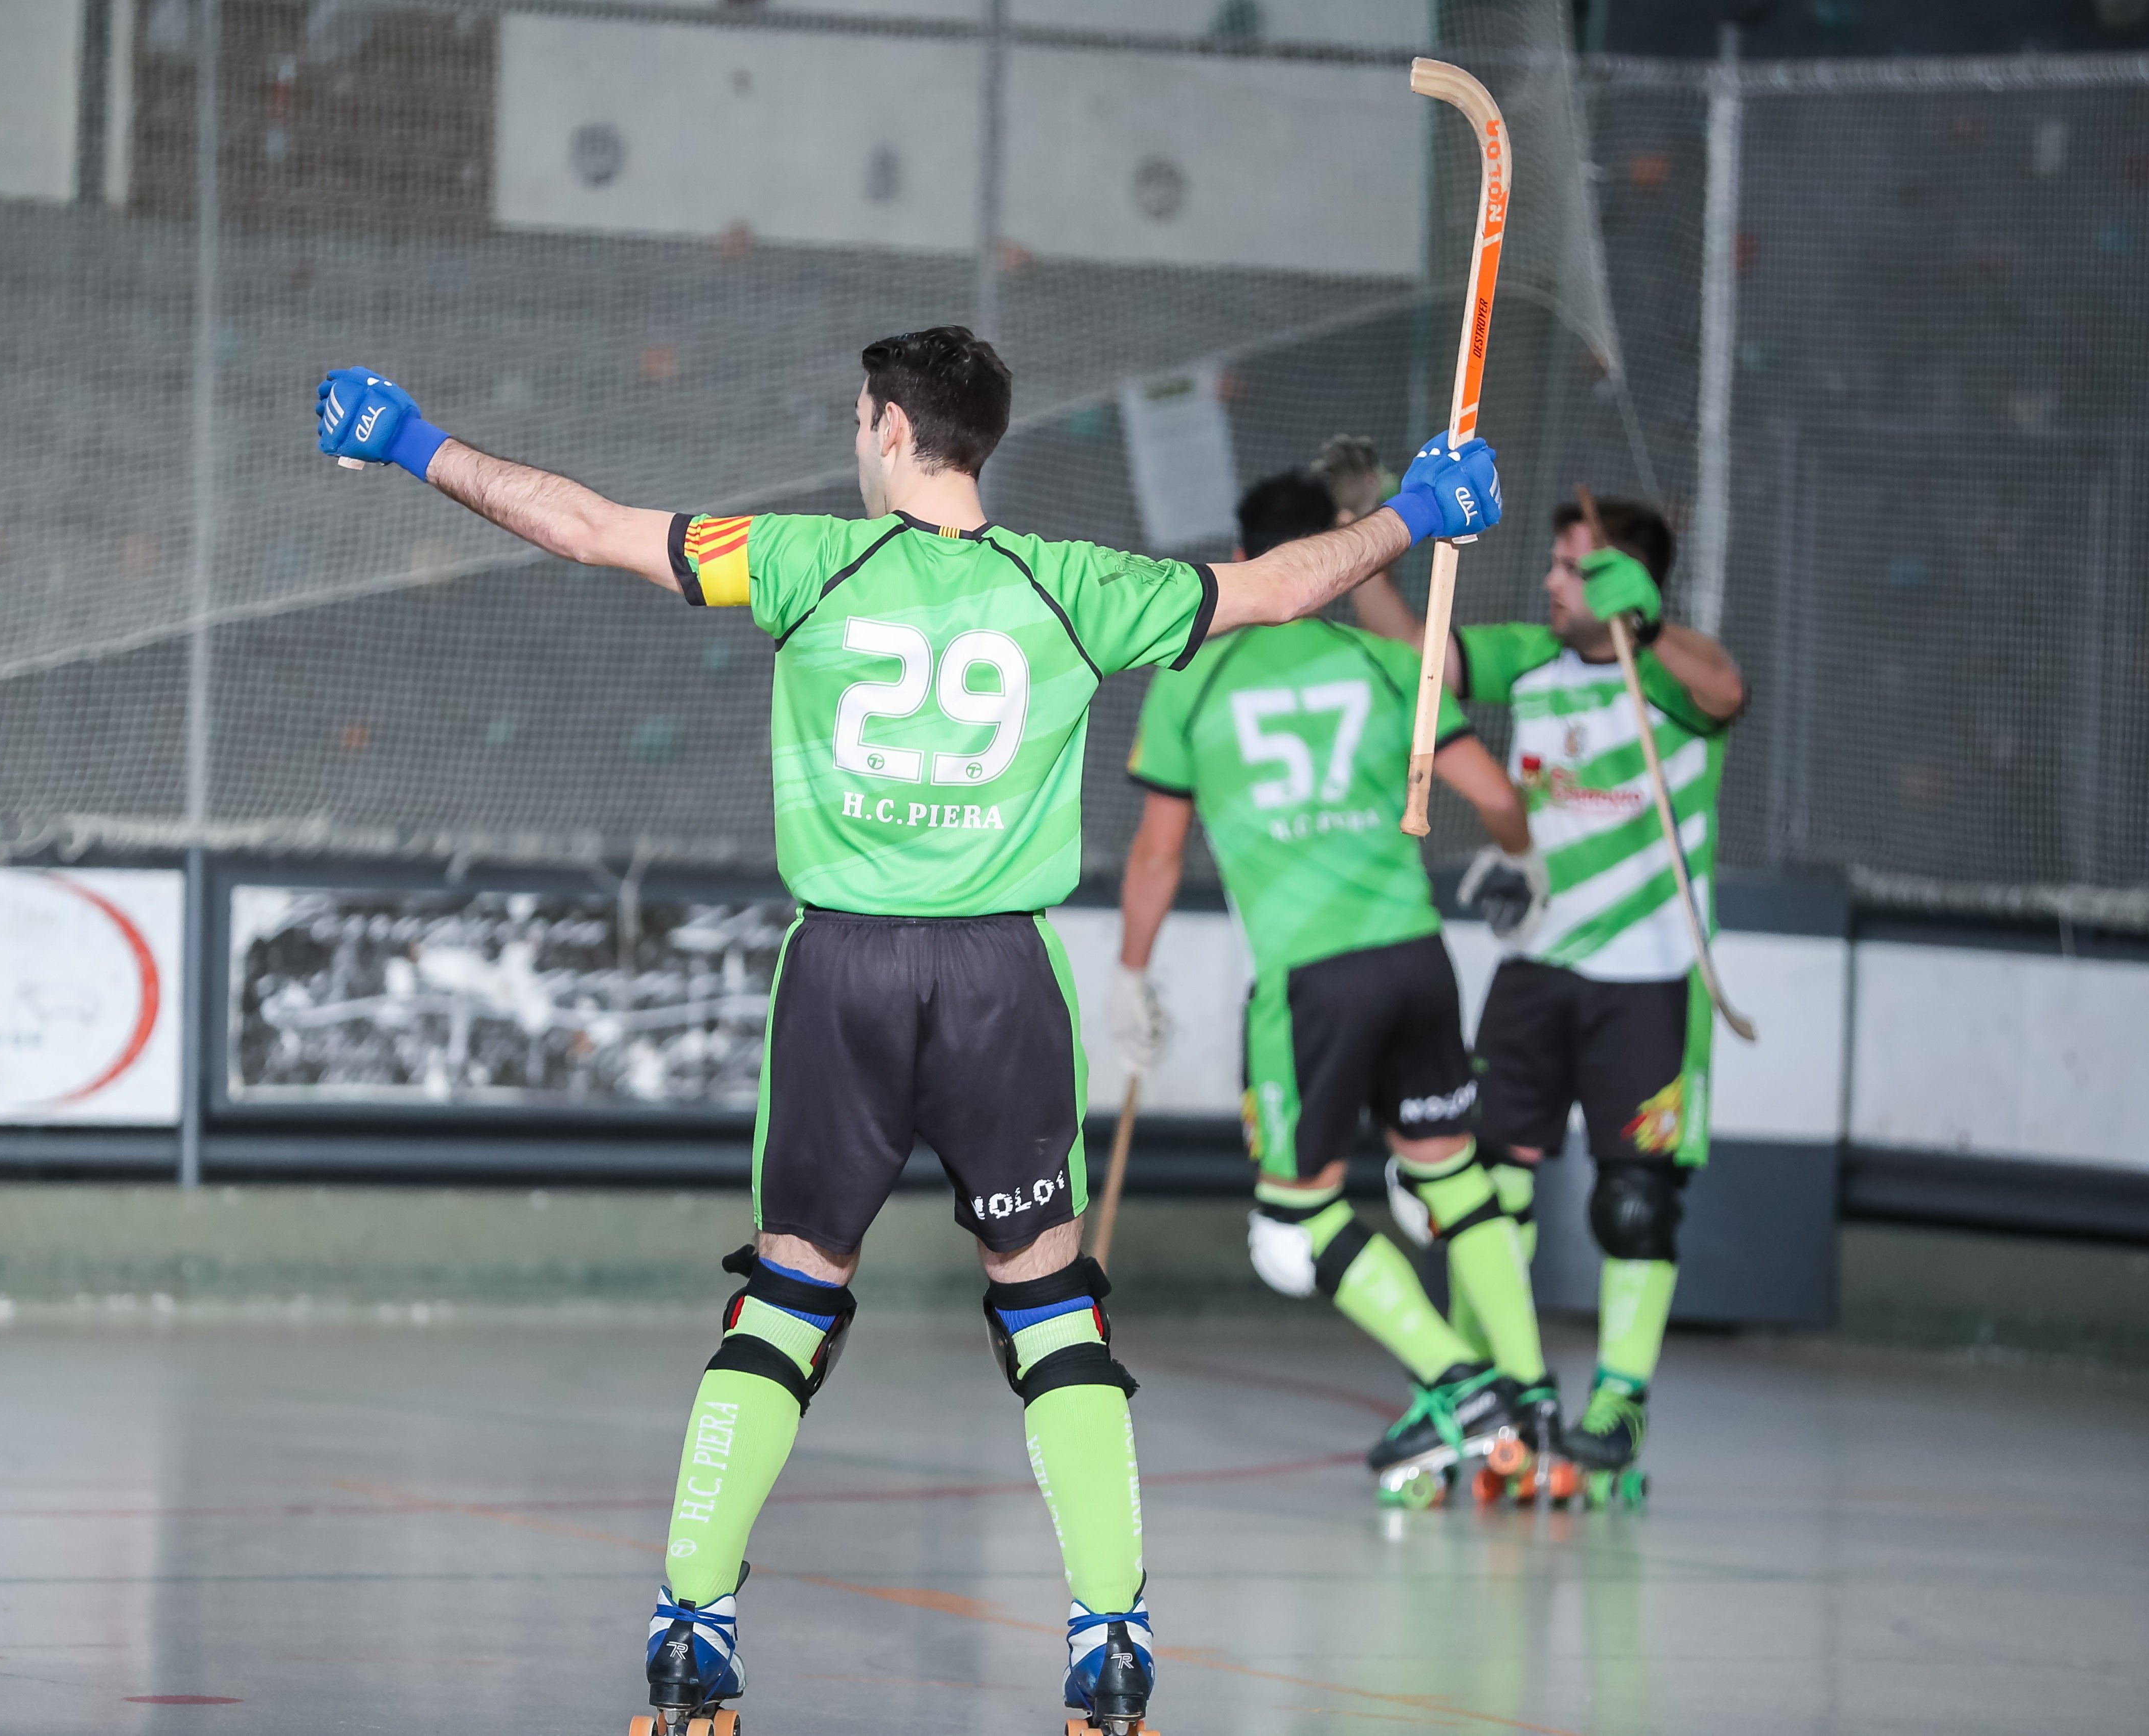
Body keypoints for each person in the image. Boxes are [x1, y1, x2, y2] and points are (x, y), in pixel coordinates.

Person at [310, 330, 1501, 1736]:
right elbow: (1275, 584)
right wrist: (1414, 516)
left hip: (843, 976)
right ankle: (1110, 1642)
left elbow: (578, 525)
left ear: (887, 426)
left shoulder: (808, 561)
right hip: (1002, 978)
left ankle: (693, 1634)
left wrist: (411, 442)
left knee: (788, 1297)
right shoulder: (1077, 587)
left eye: (853, 419)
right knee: (1054, 1307)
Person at [1110, 468, 1560, 1505]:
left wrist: (1131, 980)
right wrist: (1521, 864)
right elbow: (1495, 795)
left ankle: (1461, 1385)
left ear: (1254, 554)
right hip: (1414, 957)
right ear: (1334, 552)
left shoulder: (1195, 677)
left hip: (1310, 984)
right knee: (1452, 1175)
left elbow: (1155, 859)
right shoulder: (1382, 662)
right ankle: (1532, 1397)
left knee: (1290, 1229)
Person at [1352, 494, 1744, 1489]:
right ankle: (1491, 1391)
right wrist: (1366, 547)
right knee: (1491, 1194)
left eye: (1572, 567)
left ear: (1624, 578)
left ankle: (1617, 1405)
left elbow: (1726, 692)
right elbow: (1421, 650)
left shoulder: (1673, 670)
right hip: (1534, 969)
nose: (1551, 582)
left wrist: (1645, 623)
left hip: (1647, 982)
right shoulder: (1533, 653)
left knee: (1635, 1204)